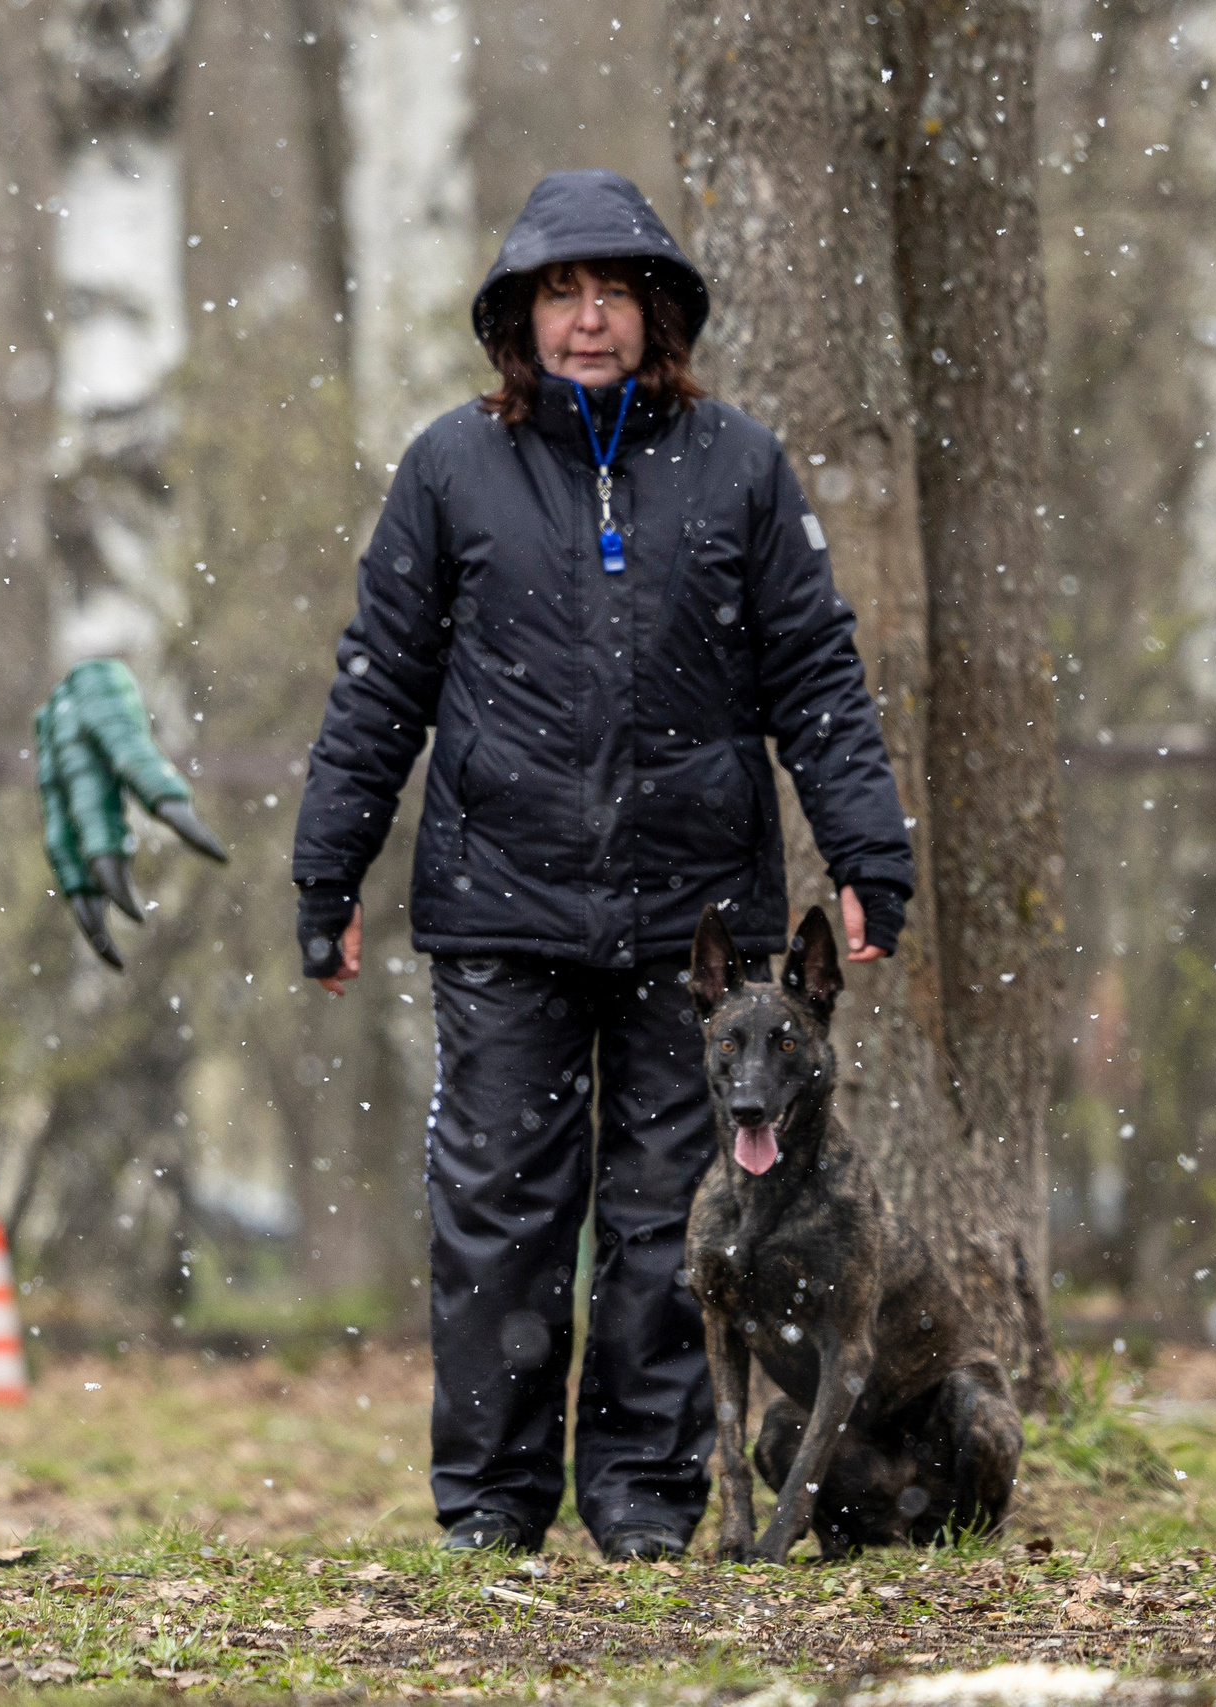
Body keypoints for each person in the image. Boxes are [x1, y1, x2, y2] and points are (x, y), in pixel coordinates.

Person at [289, 169, 915, 1562]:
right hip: (497, 905)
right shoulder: (451, 468)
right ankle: (494, 1506)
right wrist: (327, 880)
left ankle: (643, 1499)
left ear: (656, 315)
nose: (587, 320)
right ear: (519, 319)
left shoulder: (739, 465)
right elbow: (379, 684)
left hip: (694, 923)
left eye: (612, 293)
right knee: (500, 1216)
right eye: (560, 295)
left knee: (665, 1223)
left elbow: (814, 671)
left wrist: (868, 852)